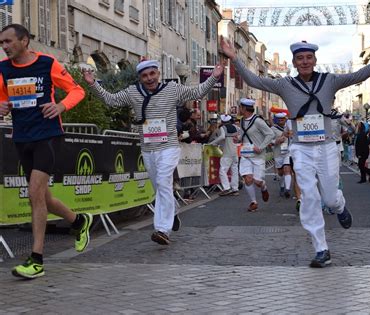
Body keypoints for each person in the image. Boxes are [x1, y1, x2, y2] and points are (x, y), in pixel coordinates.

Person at [220, 35, 370, 267]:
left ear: (315, 59)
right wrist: (234, 58)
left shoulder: (330, 80)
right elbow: (254, 80)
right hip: (301, 148)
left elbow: (359, 75)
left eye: (309, 57)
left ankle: (339, 205)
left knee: (329, 197)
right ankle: (321, 248)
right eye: (300, 58)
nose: (305, 61)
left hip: (326, 146)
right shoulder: (284, 85)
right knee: (309, 197)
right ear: (294, 62)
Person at [82, 58, 224, 245]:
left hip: (169, 146)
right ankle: (172, 211)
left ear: (158, 73)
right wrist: (93, 84)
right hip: (148, 148)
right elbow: (111, 100)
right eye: (144, 75)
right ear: (140, 77)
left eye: (152, 74)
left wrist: (213, 77)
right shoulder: (133, 92)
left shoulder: (172, 89)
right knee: (159, 186)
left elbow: (196, 92)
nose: (149, 78)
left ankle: (162, 229)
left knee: (163, 180)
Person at [0, 24, 92, 279]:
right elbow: (0, 98)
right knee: (44, 198)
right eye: (2, 43)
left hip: (48, 136)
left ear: (24, 40)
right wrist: (2, 106)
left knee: (34, 194)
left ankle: (37, 259)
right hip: (22, 137)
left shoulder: (47, 63)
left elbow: (77, 90)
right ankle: (79, 221)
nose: (4, 47)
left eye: (8, 41)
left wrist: (61, 106)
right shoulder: (3, 69)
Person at [237, 98, 274, 212]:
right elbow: (244, 135)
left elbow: (270, 134)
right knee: (248, 179)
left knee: (257, 182)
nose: (239, 109)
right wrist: (237, 138)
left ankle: (264, 187)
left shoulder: (258, 121)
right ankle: (253, 202)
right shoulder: (242, 120)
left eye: (240, 107)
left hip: (258, 155)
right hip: (246, 154)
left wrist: (261, 147)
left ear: (244, 108)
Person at [209, 114, 239, 196]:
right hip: (235, 152)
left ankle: (227, 188)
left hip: (227, 153)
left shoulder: (223, 128)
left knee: (222, 171)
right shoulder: (236, 127)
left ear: (222, 121)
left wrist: (213, 143)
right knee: (234, 171)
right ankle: (235, 189)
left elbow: (222, 137)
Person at [271, 112, 292, 198]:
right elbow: (269, 140)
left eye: (282, 119)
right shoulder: (273, 129)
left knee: (287, 169)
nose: (281, 121)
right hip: (278, 152)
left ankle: (287, 189)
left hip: (288, 152)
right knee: (280, 172)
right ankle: (282, 186)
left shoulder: (290, 127)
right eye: (279, 119)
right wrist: (276, 141)